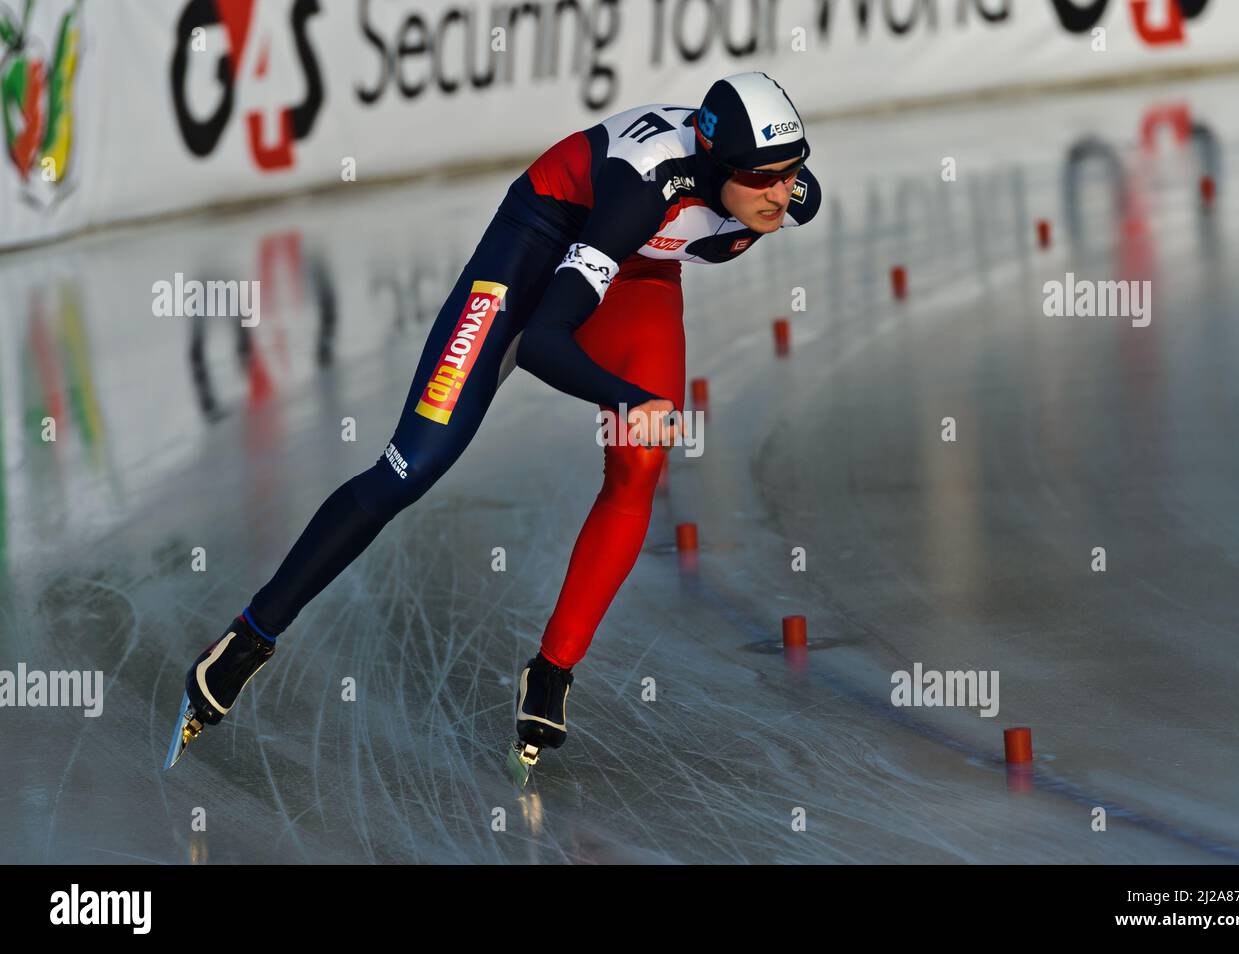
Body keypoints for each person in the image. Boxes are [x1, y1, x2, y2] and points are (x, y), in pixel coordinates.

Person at [165, 71, 822, 774]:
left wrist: (636, 410)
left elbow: (757, 196)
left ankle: (552, 673)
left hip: (636, 273)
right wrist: (629, 399)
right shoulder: (643, 188)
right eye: (763, 181)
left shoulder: (787, 193)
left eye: (791, 175)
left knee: (640, 462)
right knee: (409, 467)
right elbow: (542, 342)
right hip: (537, 240)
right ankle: (250, 636)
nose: (782, 194)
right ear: (720, 167)